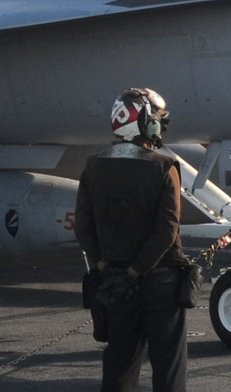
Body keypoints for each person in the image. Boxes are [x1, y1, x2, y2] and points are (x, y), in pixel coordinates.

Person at [76, 87, 189, 392]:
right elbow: (167, 231)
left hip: (114, 284)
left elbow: (83, 228)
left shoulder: (93, 166)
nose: (161, 125)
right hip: (159, 281)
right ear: (140, 121)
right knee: (168, 367)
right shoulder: (164, 167)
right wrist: (136, 272)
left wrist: (108, 269)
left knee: (119, 363)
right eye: (156, 119)